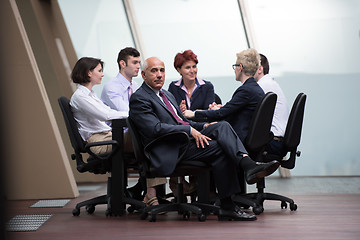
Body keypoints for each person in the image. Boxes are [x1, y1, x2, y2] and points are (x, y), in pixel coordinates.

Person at [129, 57, 280, 221]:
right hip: (167, 148)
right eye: (154, 71)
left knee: (221, 125)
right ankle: (231, 201)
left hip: (182, 143)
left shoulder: (166, 94)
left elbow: (183, 121)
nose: (159, 75)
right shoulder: (140, 98)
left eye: (162, 70)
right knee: (220, 148)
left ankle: (247, 167)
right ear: (143, 75)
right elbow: (155, 129)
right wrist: (189, 130)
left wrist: (203, 127)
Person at [100, 47, 166, 206]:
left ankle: (150, 192)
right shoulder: (112, 87)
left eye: (139, 62)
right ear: (123, 64)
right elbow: (129, 113)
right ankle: (151, 193)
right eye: (135, 62)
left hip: (133, 134)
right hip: (117, 137)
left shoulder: (136, 86)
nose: (138, 66)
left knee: (157, 135)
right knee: (153, 138)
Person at [183, 48, 265, 143]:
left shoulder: (246, 90)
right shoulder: (256, 89)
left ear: (240, 67)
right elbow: (233, 111)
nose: (234, 70)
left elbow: (221, 114)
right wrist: (221, 109)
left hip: (238, 140)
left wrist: (193, 113)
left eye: (235, 66)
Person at [167, 49, 216, 196]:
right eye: (187, 67)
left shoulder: (207, 86)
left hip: (201, 128)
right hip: (182, 130)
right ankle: (178, 185)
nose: (192, 70)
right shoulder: (173, 87)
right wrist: (181, 112)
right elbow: (173, 115)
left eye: (194, 66)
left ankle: (200, 188)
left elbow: (208, 113)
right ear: (179, 70)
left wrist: (190, 113)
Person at [70, 57, 128, 154]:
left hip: (108, 137)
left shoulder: (90, 94)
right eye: (99, 71)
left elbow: (109, 111)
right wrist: (133, 114)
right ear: (89, 73)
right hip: (100, 142)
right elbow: (106, 116)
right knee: (142, 136)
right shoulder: (80, 97)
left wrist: (132, 113)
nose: (102, 74)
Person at [254, 54, 289, 157]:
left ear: (260, 69)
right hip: (278, 142)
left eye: (250, 66)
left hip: (272, 143)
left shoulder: (262, 86)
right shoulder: (270, 84)